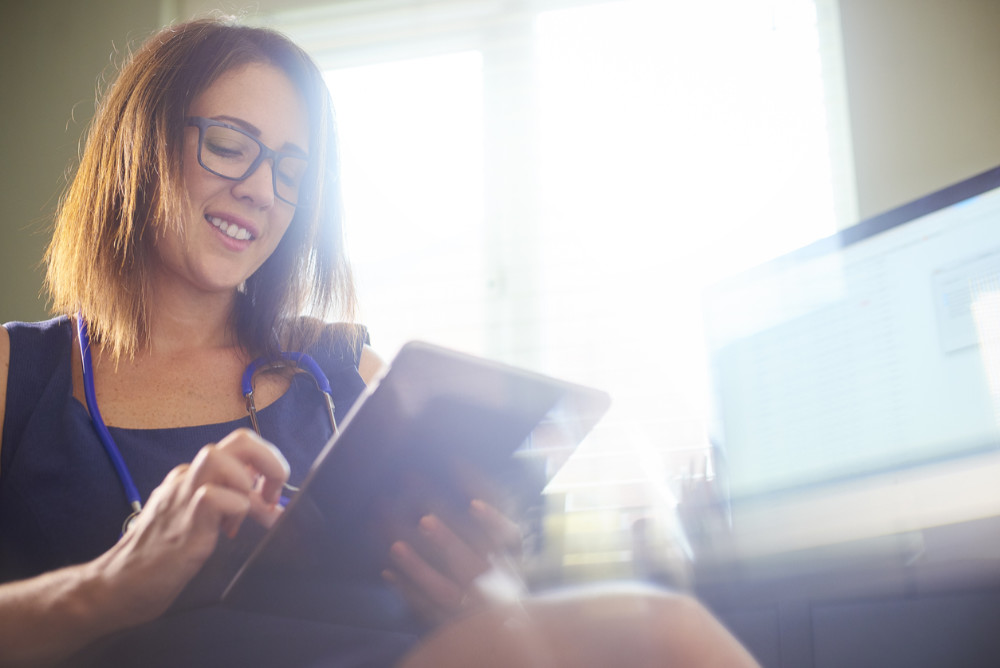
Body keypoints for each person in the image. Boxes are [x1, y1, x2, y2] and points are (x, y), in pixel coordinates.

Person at [0, 16, 759, 668]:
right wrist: (109, 585)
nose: (262, 191)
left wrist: (477, 586)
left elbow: (488, 607)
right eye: (230, 145)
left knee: (673, 634)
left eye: (290, 171)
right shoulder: (17, 374)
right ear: (141, 145)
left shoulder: (341, 370)